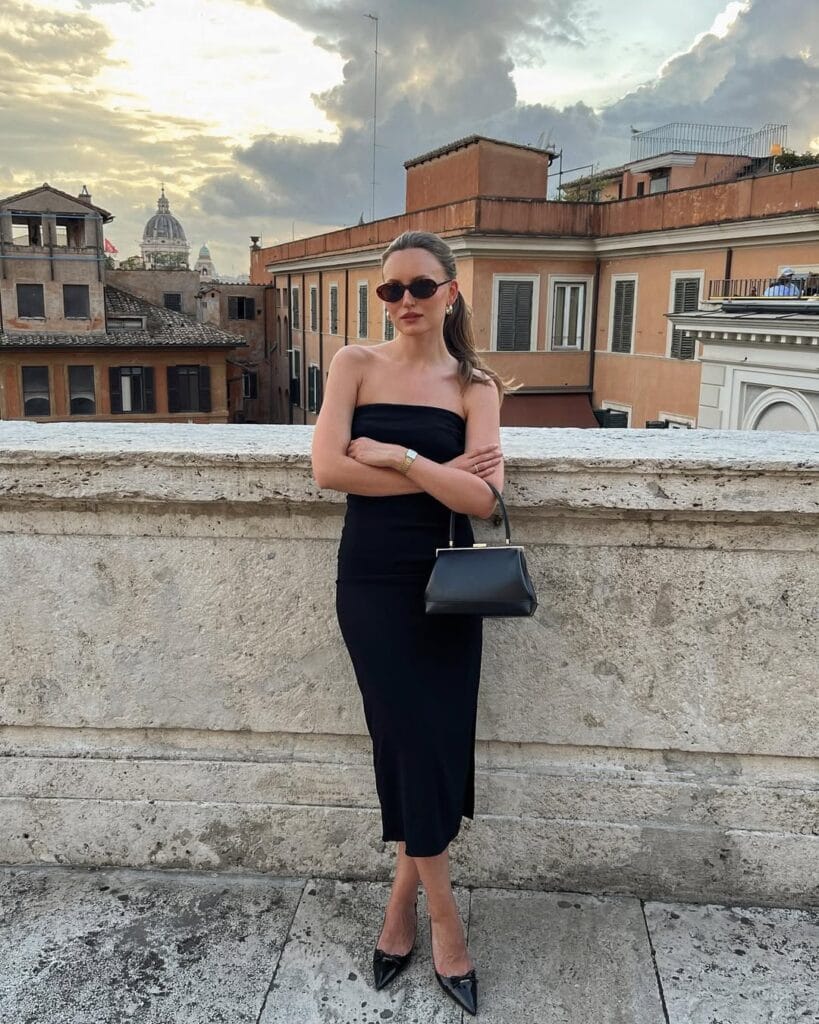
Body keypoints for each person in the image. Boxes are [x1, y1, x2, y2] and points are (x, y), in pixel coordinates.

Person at [311, 230, 505, 1016]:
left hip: (448, 586)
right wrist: (439, 475)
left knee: (431, 745)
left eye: (420, 286)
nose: (404, 301)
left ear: (450, 292)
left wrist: (398, 459)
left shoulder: (475, 385)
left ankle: (398, 911)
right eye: (390, 289)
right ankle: (445, 922)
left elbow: (483, 499)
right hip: (371, 585)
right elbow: (328, 469)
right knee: (403, 741)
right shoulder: (353, 363)